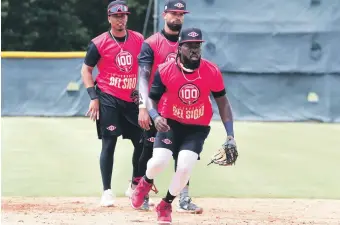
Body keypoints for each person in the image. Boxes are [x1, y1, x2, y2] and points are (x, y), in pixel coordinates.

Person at [130, 27, 237, 224]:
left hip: (197, 128)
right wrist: (154, 115)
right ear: (180, 48)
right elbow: (151, 98)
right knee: (159, 162)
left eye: (198, 46)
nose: (194, 50)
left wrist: (230, 135)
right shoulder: (165, 70)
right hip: (169, 123)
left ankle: (166, 204)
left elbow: (223, 102)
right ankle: (145, 181)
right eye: (189, 46)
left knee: (185, 166)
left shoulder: (211, 70)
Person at [126, 0, 203, 213]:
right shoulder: (151, 43)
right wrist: (143, 107)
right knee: (149, 149)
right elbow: (142, 77)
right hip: (156, 106)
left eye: (181, 13)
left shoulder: (189, 41)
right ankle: (141, 193)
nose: (177, 17)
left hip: (181, 106)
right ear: (164, 15)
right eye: (174, 13)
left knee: (185, 152)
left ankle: (184, 199)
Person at [81, 0, 144, 207]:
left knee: (143, 142)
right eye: (116, 16)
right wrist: (93, 97)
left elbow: (146, 66)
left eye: (124, 15)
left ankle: (135, 186)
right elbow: (86, 70)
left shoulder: (138, 39)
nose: (121, 19)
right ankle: (107, 191)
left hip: (133, 99)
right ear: (109, 18)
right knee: (109, 143)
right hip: (108, 97)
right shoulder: (99, 43)